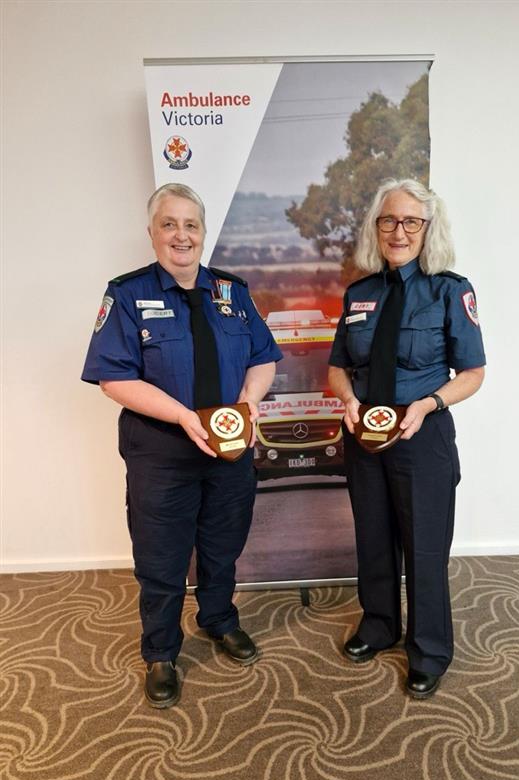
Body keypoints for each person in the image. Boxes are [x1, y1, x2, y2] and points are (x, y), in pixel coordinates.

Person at [82, 183, 281, 709]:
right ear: (152, 232)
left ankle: (218, 620)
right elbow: (113, 379)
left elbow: (264, 357)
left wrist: (249, 399)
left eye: (191, 224)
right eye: (169, 224)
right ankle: (162, 652)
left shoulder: (233, 293)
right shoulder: (126, 295)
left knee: (223, 543)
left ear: (203, 232)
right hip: (162, 451)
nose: (181, 235)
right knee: (161, 555)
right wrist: (183, 416)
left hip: (230, 450)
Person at [328, 178, 485, 699]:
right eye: (389, 220)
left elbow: (473, 372)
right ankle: (378, 625)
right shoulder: (360, 293)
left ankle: (429, 648)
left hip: (423, 434)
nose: (399, 231)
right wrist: (348, 400)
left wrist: (428, 403)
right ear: (377, 228)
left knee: (424, 547)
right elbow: (337, 368)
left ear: (427, 229)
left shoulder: (450, 289)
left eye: (411, 221)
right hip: (364, 436)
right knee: (373, 537)